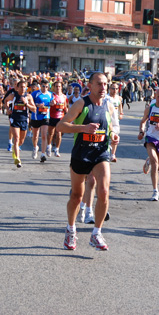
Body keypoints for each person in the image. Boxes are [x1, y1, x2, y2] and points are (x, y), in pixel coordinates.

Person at [56, 73, 119, 251]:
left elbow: (110, 128)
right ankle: (70, 229)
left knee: (104, 191)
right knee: (76, 196)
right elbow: (61, 126)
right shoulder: (81, 104)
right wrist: (83, 128)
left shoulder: (108, 105)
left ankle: (96, 233)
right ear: (90, 86)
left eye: (105, 84)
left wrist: (113, 136)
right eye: (99, 84)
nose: (103, 88)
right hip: (81, 154)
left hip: (100, 154)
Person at [3, 79, 36, 168]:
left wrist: (26, 104)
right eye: (21, 87)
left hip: (24, 120)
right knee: (16, 139)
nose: (22, 88)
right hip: (14, 119)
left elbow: (34, 109)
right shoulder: (13, 95)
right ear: (17, 88)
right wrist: (8, 109)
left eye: (24, 87)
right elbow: (5, 100)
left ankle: (15, 149)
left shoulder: (28, 97)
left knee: (21, 141)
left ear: (26, 88)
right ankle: (18, 159)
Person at [30, 80, 53, 162]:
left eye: (47, 86)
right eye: (43, 86)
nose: (45, 88)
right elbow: (30, 102)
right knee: (35, 135)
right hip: (36, 116)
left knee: (44, 134)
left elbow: (52, 102)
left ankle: (43, 154)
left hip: (45, 116)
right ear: (40, 86)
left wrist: (52, 103)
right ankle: (35, 147)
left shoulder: (50, 94)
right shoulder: (35, 93)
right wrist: (37, 105)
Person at [46, 81, 68, 158]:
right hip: (52, 116)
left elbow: (65, 107)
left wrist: (67, 113)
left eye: (59, 86)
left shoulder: (64, 97)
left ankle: (57, 149)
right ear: (54, 87)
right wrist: (51, 104)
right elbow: (47, 104)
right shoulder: (52, 95)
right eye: (56, 86)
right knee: (51, 133)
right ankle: (49, 146)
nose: (58, 88)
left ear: (61, 87)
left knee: (59, 134)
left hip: (60, 117)